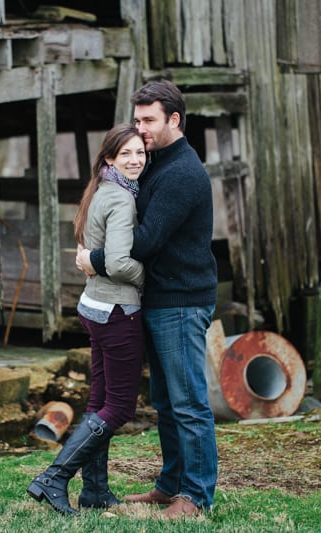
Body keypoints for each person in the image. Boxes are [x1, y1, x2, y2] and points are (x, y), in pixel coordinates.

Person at [76, 79, 219, 519]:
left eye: (148, 120)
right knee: (165, 402)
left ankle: (194, 496)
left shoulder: (182, 173)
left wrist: (95, 258)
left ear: (173, 119)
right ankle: (170, 485)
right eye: (137, 120)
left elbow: (146, 240)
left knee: (189, 401)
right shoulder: (155, 162)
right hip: (157, 300)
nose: (140, 129)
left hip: (181, 300)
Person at [27, 124, 147, 516]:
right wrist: (150, 277)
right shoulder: (121, 199)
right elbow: (116, 262)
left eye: (140, 153)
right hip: (116, 311)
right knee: (120, 408)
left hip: (94, 307)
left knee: (99, 403)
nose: (134, 160)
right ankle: (55, 477)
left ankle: (94, 490)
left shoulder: (100, 191)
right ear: (109, 159)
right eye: (125, 153)